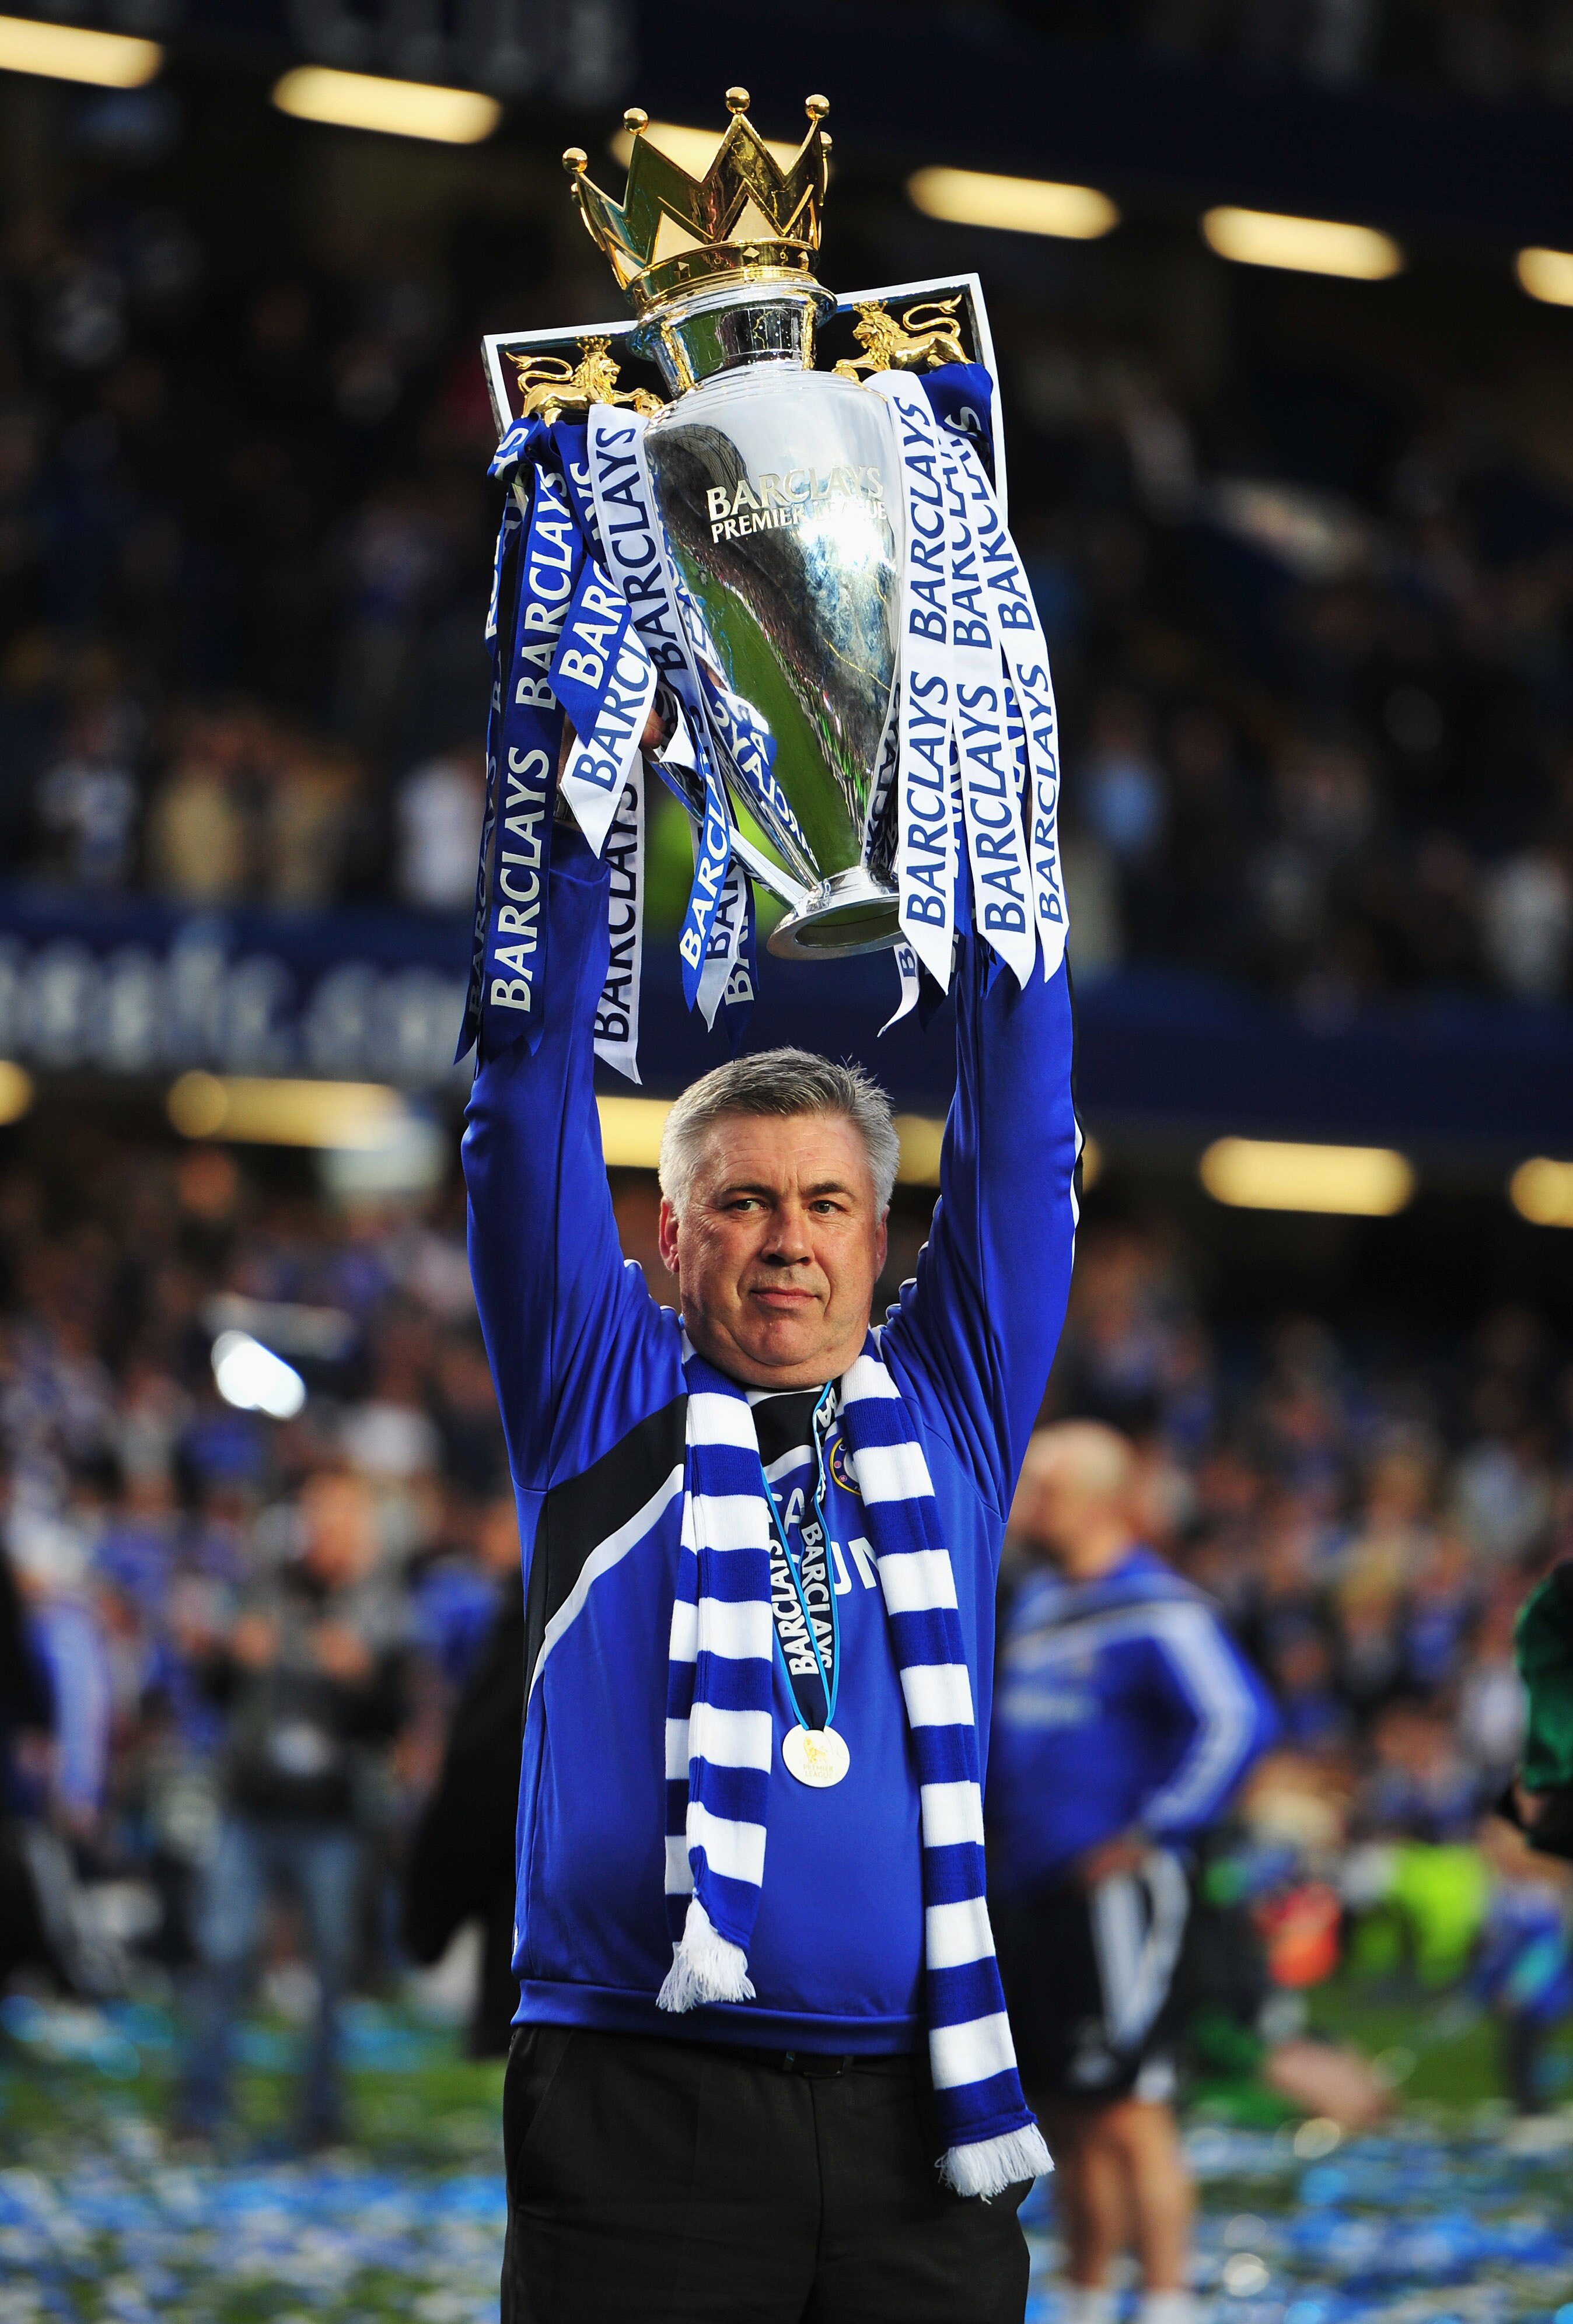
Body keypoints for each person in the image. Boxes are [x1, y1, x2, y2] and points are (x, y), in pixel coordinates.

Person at [462, 807, 1079, 2318]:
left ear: (883, 1244)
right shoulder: (596, 1387)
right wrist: (586, 816)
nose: (785, 1241)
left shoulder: (953, 1410)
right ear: (670, 1241)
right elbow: (521, 1089)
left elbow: (1026, 1140)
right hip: (635, 2105)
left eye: (825, 1205)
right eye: (740, 1202)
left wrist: (981, 818)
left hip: (917, 2124)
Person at [987, 1423, 1277, 2324]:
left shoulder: (1157, 1606)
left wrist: (1151, 1830)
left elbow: (1234, 1720)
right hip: (1034, 1893)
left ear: (1101, 1498)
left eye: (1047, 1487)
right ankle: (1084, 2296)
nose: (1028, 1503)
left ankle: (1163, 2302)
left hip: (1115, 1896)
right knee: (1069, 2109)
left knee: (1128, 2104)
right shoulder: (1037, 1603)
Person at [175, 1466, 406, 2148]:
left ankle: (320, 2118)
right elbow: (213, 1692)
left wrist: (361, 1680)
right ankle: (200, 2111)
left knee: (332, 1971)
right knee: (222, 1956)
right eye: (320, 1516)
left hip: (331, 1817)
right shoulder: (261, 1589)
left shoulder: (380, 1609)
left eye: (342, 1518)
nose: (329, 1532)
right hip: (252, 1808)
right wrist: (222, 1658)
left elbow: (392, 1721)